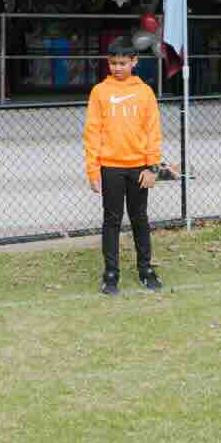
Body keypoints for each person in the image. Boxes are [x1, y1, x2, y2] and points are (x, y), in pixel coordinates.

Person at [83, 36, 163, 296]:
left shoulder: (145, 92)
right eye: (113, 63)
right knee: (112, 220)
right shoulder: (99, 92)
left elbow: (153, 131)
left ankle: (146, 270)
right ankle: (111, 275)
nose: (118, 68)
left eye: (123, 63)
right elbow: (92, 132)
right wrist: (93, 170)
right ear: (108, 63)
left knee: (140, 219)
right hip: (111, 168)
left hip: (139, 167)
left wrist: (152, 167)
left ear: (134, 62)